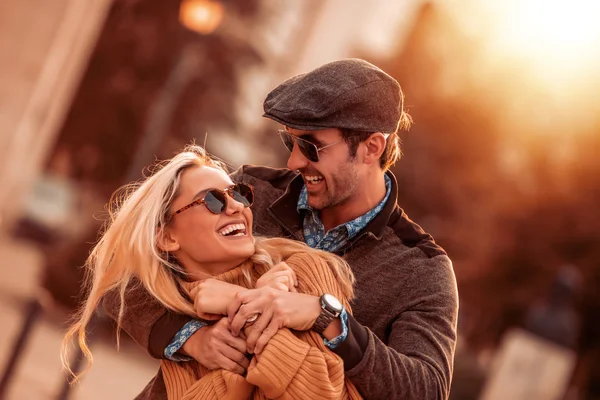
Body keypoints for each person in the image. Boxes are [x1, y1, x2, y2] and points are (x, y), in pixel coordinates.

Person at [105, 58, 459, 399]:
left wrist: (330, 319)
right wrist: (192, 338)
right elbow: (121, 276)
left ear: (371, 147)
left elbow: (425, 388)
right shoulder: (244, 194)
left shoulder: (423, 269)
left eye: (310, 146)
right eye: (290, 142)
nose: (294, 161)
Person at [61, 145, 363, 399]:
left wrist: (248, 305)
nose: (235, 206)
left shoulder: (302, 270)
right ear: (166, 237)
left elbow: (324, 391)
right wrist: (202, 337)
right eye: (212, 200)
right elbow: (116, 281)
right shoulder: (181, 331)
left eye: (239, 194)